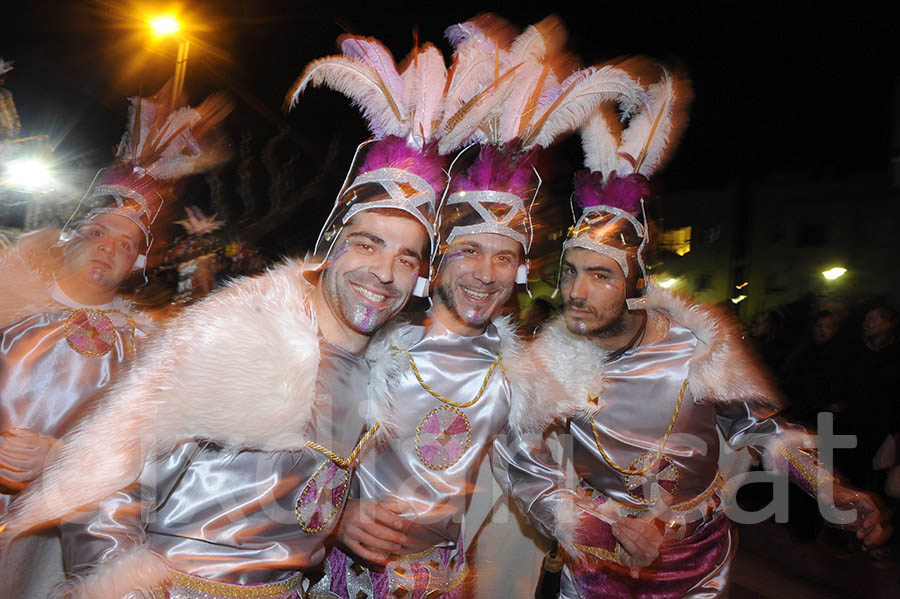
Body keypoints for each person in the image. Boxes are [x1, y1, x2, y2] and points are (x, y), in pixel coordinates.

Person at [0, 44, 451, 597]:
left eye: (407, 257)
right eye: (368, 244)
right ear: (330, 247)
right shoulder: (239, 338)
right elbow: (110, 478)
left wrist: (342, 514)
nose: (384, 272)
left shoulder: (384, 371)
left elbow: (288, 488)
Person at [512, 68, 892, 599]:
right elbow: (524, 466)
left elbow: (765, 433)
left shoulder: (698, 347)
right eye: (570, 271)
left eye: (600, 275)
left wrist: (828, 487)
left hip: (700, 566)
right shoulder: (549, 363)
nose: (576, 290)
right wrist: (603, 527)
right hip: (599, 572)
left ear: (637, 283)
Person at [304, 17, 647, 598]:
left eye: (501, 257)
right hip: (343, 581)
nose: (485, 275)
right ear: (435, 262)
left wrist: (611, 523)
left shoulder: (514, 373)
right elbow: (292, 453)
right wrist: (335, 518)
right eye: (467, 251)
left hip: (444, 582)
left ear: (519, 270)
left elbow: (533, 477)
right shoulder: (372, 343)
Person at [0, 83, 232, 599]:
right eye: (100, 232)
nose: (109, 249)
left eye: (127, 243)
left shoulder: (146, 342)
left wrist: (65, 459)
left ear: (140, 261)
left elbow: (156, 449)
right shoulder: (9, 304)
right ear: (74, 233)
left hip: (63, 534)